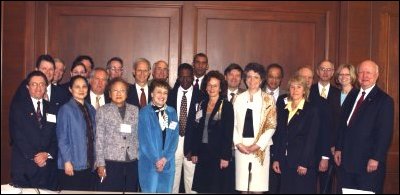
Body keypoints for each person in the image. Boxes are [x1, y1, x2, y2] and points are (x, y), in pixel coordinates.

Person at [334, 60, 393, 193]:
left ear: (376, 75)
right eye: (361, 72)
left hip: (368, 163)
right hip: (346, 162)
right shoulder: (352, 95)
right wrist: (338, 148)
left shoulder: (384, 100)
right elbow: (343, 125)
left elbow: (384, 133)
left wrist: (376, 158)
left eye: (368, 72)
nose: (364, 75)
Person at [9, 71, 58, 190]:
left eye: (41, 84)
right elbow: (17, 136)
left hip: (47, 169)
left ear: (46, 87)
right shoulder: (18, 107)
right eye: (34, 84)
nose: (38, 88)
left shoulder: (52, 108)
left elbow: (56, 135)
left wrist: (47, 154)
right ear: (27, 87)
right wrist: (36, 156)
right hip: (25, 168)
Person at [233, 62, 276, 193]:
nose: (252, 80)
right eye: (249, 76)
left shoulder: (268, 99)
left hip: (260, 149)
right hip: (241, 148)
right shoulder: (237, 98)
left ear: (262, 80)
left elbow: (271, 125)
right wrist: (239, 144)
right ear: (245, 79)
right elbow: (232, 124)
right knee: (243, 188)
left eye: (256, 77)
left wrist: (256, 145)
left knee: (257, 188)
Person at [272, 75, 320, 193]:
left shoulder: (311, 110)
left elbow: (311, 139)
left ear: (304, 90)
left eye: (299, 87)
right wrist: (277, 159)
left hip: (301, 163)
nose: (295, 90)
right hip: (285, 162)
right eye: (292, 87)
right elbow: (280, 135)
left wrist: (304, 163)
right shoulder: (284, 109)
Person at [190, 71, 234, 193]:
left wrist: (225, 156)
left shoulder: (226, 105)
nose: (212, 88)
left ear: (220, 88)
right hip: (203, 152)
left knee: (215, 188)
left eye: (215, 85)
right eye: (209, 85)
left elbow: (228, 133)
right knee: (202, 189)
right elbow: (197, 129)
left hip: (218, 155)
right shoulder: (201, 104)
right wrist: (195, 152)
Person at [95, 78, 139, 192]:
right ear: (109, 93)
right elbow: (99, 139)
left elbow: (138, 135)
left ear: (127, 93)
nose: (119, 94)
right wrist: (100, 164)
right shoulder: (103, 111)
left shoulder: (135, 110)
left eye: (122, 90)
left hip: (132, 160)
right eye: (115, 91)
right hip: (111, 161)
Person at [56, 75, 97, 191]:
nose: (81, 90)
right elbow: (62, 138)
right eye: (77, 87)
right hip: (72, 164)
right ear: (70, 89)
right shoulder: (65, 109)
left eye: (84, 86)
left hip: (88, 163)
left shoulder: (91, 109)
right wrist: (67, 161)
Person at [138, 80, 179, 193]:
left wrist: (165, 158)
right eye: (159, 92)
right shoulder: (144, 112)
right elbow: (145, 141)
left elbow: (174, 139)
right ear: (152, 94)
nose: (162, 96)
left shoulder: (172, 112)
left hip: (168, 162)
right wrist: (157, 160)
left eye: (165, 93)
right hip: (150, 162)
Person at [167, 63, 200, 193]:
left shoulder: (201, 96)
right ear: (177, 77)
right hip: (174, 142)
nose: (185, 80)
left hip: (191, 144)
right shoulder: (169, 95)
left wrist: (195, 149)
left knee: (191, 181)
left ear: (193, 77)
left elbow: (201, 127)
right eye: (182, 77)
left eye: (188, 77)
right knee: (172, 179)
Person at [310, 60, 341, 194]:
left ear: (333, 72)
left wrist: (333, 147)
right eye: (322, 69)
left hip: (330, 148)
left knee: (326, 188)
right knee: (307, 187)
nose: (325, 72)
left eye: (329, 69)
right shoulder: (307, 91)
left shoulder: (339, 93)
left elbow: (339, 124)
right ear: (317, 71)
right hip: (309, 149)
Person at [264, 63, 287, 194]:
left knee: (277, 186)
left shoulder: (289, 96)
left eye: (277, 77)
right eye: (271, 77)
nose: (274, 80)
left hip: (280, 147)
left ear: (281, 78)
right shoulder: (258, 94)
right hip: (260, 147)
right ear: (266, 77)